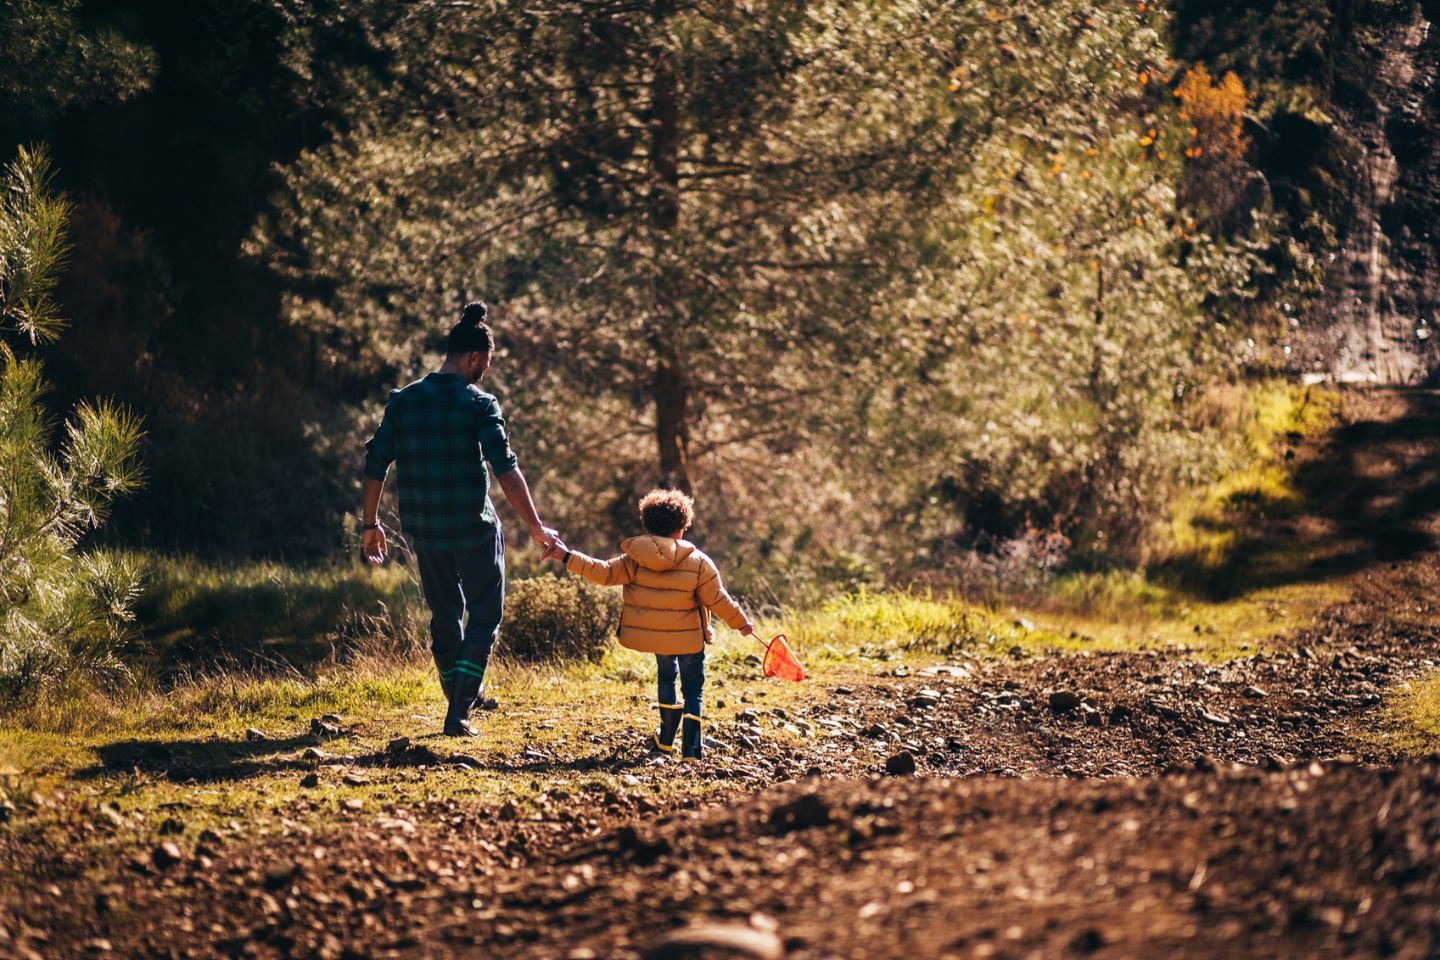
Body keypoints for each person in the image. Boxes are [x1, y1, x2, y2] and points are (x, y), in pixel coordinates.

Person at [360, 301, 558, 737]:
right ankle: (460, 711)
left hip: (426, 531)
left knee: (445, 613)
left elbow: (376, 464)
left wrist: (370, 525)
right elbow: (505, 467)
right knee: (486, 614)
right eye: (483, 365)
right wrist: (535, 525)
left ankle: (462, 694)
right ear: (473, 357)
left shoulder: (403, 401)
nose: (482, 373)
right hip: (474, 528)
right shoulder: (479, 403)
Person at [545, 489, 753, 760]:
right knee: (693, 690)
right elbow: (717, 599)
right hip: (689, 640)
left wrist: (566, 556)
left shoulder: (635, 558)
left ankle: (665, 741)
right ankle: (691, 749)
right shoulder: (699, 562)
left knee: (666, 677)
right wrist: (742, 623)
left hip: (658, 640)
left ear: (649, 523)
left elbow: (603, 573)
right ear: (682, 527)